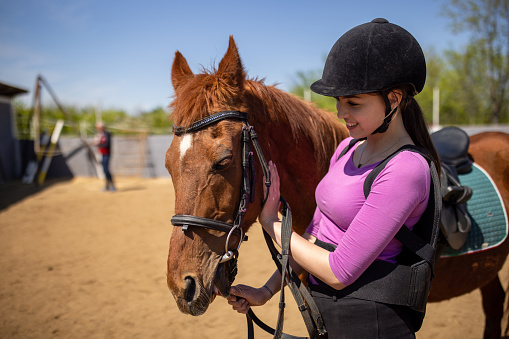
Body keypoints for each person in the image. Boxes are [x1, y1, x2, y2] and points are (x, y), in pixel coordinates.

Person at [227, 18, 441, 338]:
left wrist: (271, 223)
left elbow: (339, 271)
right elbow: (316, 238)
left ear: (394, 99)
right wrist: (266, 291)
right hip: (326, 318)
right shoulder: (346, 149)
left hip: (372, 324)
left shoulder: (405, 169)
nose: (341, 114)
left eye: (353, 103)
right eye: (339, 102)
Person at [94, 122, 116, 192]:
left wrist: (98, 144)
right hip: (101, 154)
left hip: (107, 154)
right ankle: (107, 185)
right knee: (104, 170)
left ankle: (112, 185)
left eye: (99, 127)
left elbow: (106, 144)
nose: (98, 129)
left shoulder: (107, 134)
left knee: (106, 170)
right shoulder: (99, 135)